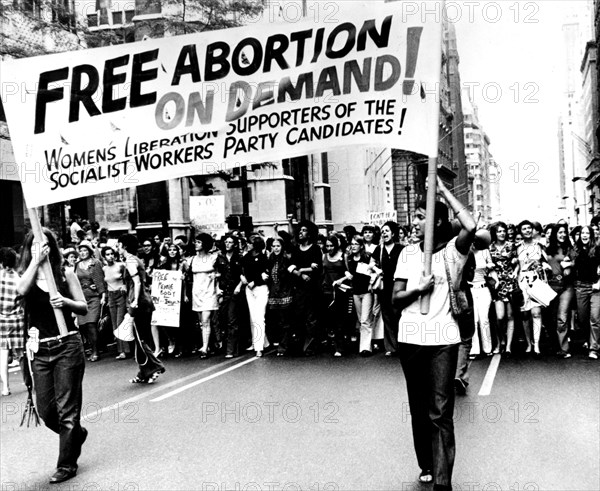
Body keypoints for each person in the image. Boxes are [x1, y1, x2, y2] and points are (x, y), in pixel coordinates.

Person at [392, 177, 476, 490]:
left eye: (419, 216)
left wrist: (441, 190)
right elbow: (395, 298)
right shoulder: (407, 254)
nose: (413, 222)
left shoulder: (454, 252)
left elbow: (471, 225)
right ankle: (426, 463)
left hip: (444, 339)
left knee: (440, 410)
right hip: (411, 339)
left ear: (436, 221)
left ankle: (443, 481)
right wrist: (418, 289)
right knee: (418, 405)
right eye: (413, 216)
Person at [17, 228, 88, 484]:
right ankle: (75, 434)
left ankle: (66, 465)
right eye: (37, 244)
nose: (43, 249)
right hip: (40, 350)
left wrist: (64, 302)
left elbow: (83, 306)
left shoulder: (64, 273)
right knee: (47, 412)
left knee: (67, 410)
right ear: (29, 248)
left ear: (54, 247)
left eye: (46, 245)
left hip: (67, 345)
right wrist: (35, 262)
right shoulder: (27, 272)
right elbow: (21, 290)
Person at [117, 234, 165, 383]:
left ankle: (155, 367)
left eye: (118, 245)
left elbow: (137, 282)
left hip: (139, 302)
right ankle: (144, 372)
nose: (117, 248)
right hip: (142, 301)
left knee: (140, 338)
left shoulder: (131, 260)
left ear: (124, 246)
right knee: (139, 339)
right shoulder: (134, 259)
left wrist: (135, 301)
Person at [515, 220, 551, 356]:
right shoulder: (517, 247)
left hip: (536, 280)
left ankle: (536, 344)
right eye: (524, 229)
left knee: (536, 313)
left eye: (529, 228)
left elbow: (546, 262)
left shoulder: (539, 246)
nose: (527, 230)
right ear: (521, 231)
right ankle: (528, 343)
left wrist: (543, 268)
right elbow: (517, 264)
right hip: (522, 281)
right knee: (525, 314)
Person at [369, 221, 403, 357]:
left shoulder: (401, 248)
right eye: (383, 231)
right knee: (387, 316)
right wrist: (378, 269)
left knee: (399, 315)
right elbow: (370, 264)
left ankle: (402, 345)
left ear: (393, 233)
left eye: (387, 231)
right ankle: (391, 347)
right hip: (384, 286)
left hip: (398, 286)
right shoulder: (379, 249)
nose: (384, 233)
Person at [289, 221, 323, 356]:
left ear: (309, 233)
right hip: (299, 288)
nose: (301, 233)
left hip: (312, 288)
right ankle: (298, 345)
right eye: (300, 230)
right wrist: (301, 274)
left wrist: (301, 269)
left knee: (311, 318)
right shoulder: (296, 249)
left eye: (304, 230)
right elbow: (290, 267)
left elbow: (316, 267)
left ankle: (311, 346)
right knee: (299, 317)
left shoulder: (315, 249)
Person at [187, 233, 220, 358]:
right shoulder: (191, 259)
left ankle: (205, 348)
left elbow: (220, 273)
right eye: (195, 241)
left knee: (206, 320)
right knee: (202, 322)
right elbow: (183, 272)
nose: (196, 244)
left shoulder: (214, 258)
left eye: (199, 242)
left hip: (209, 292)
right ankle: (210, 344)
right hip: (197, 293)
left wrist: (216, 276)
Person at [545, 223, 575, 358]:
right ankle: (554, 346)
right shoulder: (547, 249)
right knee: (551, 318)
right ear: (554, 234)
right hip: (550, 286)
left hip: (566, 287)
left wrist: (568, 264)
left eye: (564, 232)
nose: (562, 235)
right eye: (559, 232)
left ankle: (564, 349)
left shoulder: (569, 248)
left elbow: (578, 261)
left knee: (562, 317)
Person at [489, 222, 519, 355]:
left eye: (503, 231)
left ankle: (508, 346)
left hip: (510, 282)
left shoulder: (511, 246)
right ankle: (500, 340)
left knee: (510, 316)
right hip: (497, 283)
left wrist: (515, 272)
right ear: (494, 233)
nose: (502, 233)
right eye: (499, 231)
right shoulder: (489, 248)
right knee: (500, 317)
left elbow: (517, 262)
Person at [74, 240, 106, 362]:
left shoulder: (95, 263)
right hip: (81, 298)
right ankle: (95, 346)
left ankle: (95, 351)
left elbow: (100, 280)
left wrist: (103, 295)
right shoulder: (77, 265)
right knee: (83, 326)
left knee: (91, 324)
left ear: (89, 251)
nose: (82, 253)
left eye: (85, 250)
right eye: (81, 251)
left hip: (94, 297)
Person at [572, 225, 600, 359]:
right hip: (580, 287)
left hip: (595, 287)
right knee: (582, 319)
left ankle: (593, 348)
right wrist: (566, 264)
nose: (584, 235)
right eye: (582, 233)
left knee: (594, 318)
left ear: (591, 235)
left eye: (587, 233)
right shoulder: (575, 249)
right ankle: (589, 341)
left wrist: (599, 283)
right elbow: (567, 260)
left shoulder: (597, 249)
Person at [0, 248, 25, 396]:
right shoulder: (18, 278)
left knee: (3, 354)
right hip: (17, 318)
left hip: (1, 318)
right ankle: (29, 382)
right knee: (21, 353)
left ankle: (5, 387)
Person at [321, 234, 350, 357]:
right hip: (327, 290)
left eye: (331, 245)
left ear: (336, 245)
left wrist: (341, 280)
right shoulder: (324, 257)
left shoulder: (343, 256)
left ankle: (340, 346)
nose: (329, 248)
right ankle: (332, 343)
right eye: (327, 246)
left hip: (340, 291)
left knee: (340, 319)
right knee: (330, 319)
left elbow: (349, 274)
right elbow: (323, 273)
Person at [241, 235, 270, 357]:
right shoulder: (246, 257)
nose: (247, 245)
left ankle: (258, 347)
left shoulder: (264, 258)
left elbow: (266, 274)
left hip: (261, 289)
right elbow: (241, 269)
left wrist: (255, 281)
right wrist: (242, 277)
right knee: (252, 317)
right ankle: (262, 342)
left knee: (259, 317)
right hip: (249, 289)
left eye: (249, 243)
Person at [216, 235, 243, 358]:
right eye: (226, 242)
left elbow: (243, 274)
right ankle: (227, 346)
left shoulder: (239, 257)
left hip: (235, 291)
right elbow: (217, 274)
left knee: (232, 320)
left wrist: (238, 286)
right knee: (223, 319)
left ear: (235, 244)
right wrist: (217, 289)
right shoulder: (220, 257)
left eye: (230, 242)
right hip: (224, 291)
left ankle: (231, 350)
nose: (227, 244)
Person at [346, 235, 374, 356]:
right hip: (355, 292)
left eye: (356, 244)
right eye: (352, 244)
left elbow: (374, 271)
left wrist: (371, 283)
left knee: (365, 320)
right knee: (360, 319)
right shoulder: (349, 259)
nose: (353, 246)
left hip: (367, 291)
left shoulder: (367, 257)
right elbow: (347, 271)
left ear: (361, 245)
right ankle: (366, 344)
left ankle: (365, 348)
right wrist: (346, 273)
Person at [266, 237, 294, 356]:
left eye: (278, 246)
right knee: (277, 320)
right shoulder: (270, 259)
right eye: (274, 246)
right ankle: (280, 343)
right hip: (274, 292)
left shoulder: (287, 259)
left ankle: (284, 346)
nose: (276, 248)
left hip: (285, 292)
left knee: (285, 320)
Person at [102, 246, 130, 360]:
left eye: (112, 254)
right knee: (114, 324)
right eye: (108, 254)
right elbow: (105, 283)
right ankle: (120, 350)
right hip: (111, 296)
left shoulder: (121, 265)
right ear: (104, 256)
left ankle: (126, 350)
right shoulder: (104, 268)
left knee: (120, 322)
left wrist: (124, 285)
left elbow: (128, 279)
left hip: (121, 295)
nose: (110, 256)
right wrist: (106, 297)